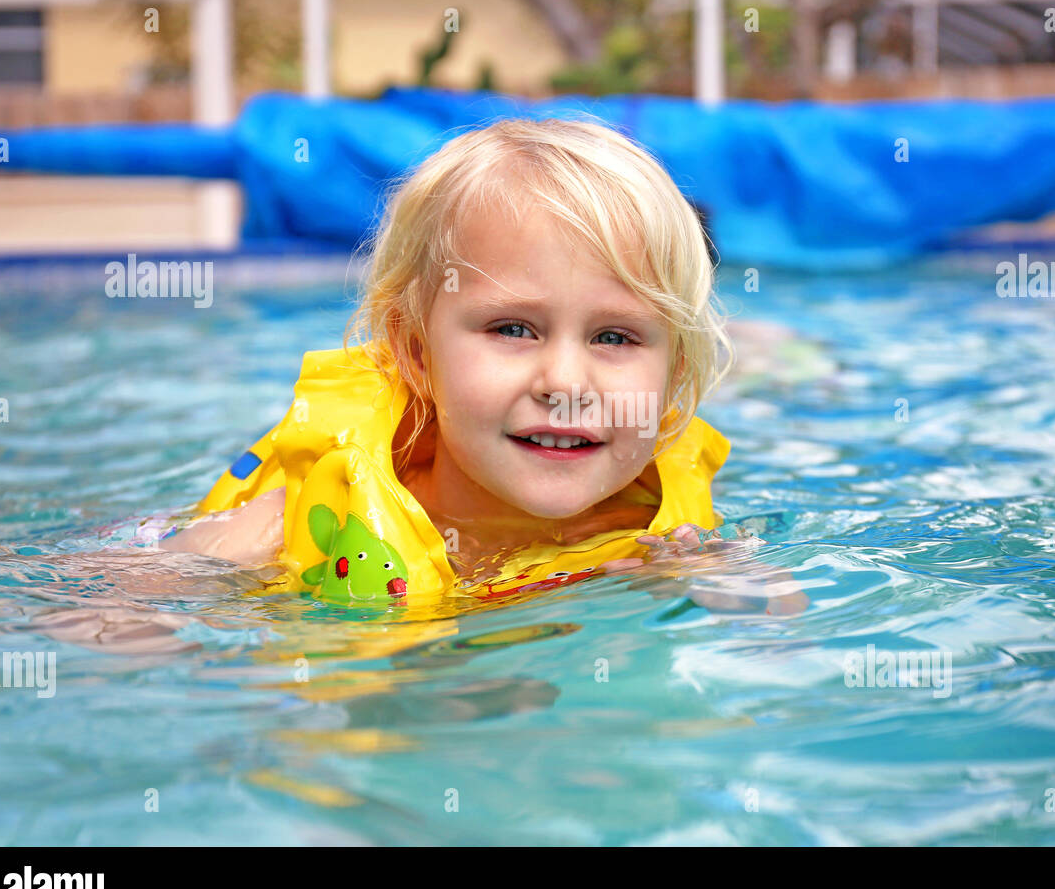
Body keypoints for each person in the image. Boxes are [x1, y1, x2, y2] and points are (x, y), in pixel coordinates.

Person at [162, 117, 805, 614]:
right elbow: (108, 612)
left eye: (615, 337)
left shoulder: (671, 545)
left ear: (674, 382)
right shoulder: (281, 525)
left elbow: (782, 621)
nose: (566, 384)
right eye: (513, 328)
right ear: (417, 353)